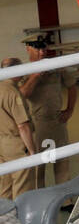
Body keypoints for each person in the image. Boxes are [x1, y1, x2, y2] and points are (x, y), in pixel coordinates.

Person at [19, 34, 78, 186]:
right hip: (37, 124)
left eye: (43, 47)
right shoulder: (24, 71)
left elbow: (71, 86)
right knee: (39, 164)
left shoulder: (56, 66)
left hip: (58, 121)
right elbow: (23, 94)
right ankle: (41, 196)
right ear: (28, 49)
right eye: (37, 48)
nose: (42, 52)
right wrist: (36, 76)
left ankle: (66, 199)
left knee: (62, 161)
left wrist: (70, 110)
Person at [0, 58, 38, 200]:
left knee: (6, 185)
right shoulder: (13, 93)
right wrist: (32, 151)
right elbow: (22, 126)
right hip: (16, 145)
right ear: (15, 71)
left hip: (1, 143)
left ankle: (4, 219)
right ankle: (19, 220)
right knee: (22, 185)